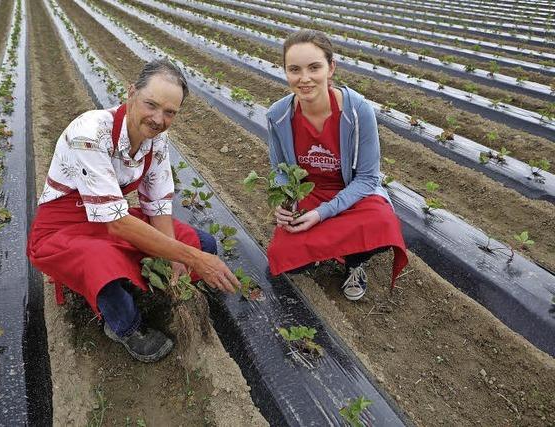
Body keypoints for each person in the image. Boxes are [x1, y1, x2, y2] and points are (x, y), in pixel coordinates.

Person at [27, 59, 239, 363]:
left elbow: (157, 205)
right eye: (150, 104)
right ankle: (126, 327)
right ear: (131, 93)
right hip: (64, 228)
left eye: (169, 112)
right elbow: (117, 225)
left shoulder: (157, 142)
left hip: (114, 218)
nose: (158, 119)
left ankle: (134, 289)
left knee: (203, 243)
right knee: (101, 261)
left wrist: (174, 258)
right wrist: (189, 258)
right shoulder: (89, 132)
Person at [265, 30, 408, 300]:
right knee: (282, 256)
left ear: (331, 68)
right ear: (285, 71)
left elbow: (367, 178)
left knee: (382, 222)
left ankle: (354, 262)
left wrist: (321, 214)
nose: (304, 78)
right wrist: (282, 204)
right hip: (309, 193)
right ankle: (324, 249)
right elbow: (280, 172)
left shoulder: (358, 111)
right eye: (294, 69)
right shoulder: (278, 115)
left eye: (314, 67)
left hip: (352, 193)